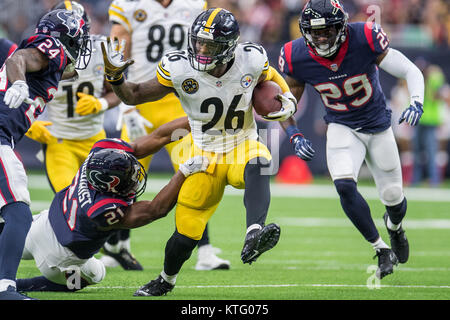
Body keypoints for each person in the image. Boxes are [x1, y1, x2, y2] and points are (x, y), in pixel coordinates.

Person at [102, 7, 314, 296]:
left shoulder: (251, 59)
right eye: (198, 42)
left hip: (241, 143)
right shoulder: (179, 67)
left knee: (260, 161)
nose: (201, 50)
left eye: (210, 45)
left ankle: (254, 232)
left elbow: (278, 85)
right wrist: (116, 79)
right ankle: (166, 280)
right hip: (204, 155)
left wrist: (289, 108)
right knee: (186, 234)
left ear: (229, 47)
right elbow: (136, 93)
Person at [278, 0, 425, 279]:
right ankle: (380, 248)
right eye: (315, 32)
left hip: (378, 126)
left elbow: (410, 70)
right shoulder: (296, 55)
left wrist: (416, 100)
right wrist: (294, 134)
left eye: (328, 30)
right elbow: (285, 106)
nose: (321, 37)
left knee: (394, 198)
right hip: (341, 125)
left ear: (342, 27)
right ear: (305, 31)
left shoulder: (364, 37)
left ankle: (394, 228)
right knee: (344, 185)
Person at [106, 0, 230, 271]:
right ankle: (116, 244)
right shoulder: (130, 4)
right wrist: (125, 103)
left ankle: (205, 251)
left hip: (179, 101)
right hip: (141, 99)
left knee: (197, 171)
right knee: (124, 175)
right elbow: (118, 47)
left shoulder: (196, 3)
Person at [25, 1, 142, 271]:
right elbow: (21, 92)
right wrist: (31, 123)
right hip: (59, 142)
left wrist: (101, 103)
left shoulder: (104, 50)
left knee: (121, 192)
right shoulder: (38, 54)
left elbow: (122, 90)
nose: (72, 42)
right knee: (74, 206)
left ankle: (117, 247)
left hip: (95, 140)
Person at [16, 137, 209, 293]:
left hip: (41, 225)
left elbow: (159, 136)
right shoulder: (102, 209)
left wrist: (192, 121)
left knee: (7, 244)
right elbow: (156, 210)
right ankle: (20, 285)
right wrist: (183, 172)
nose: (134, 176)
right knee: (96, 273)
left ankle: (5, 281)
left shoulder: (98, 155)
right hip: (59, 259)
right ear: (110, 184)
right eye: (128, 176)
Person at [0, 8, 91, 300]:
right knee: (18, 212)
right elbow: (20, 58)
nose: (80, 46)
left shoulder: (55, 64)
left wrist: (112, 73)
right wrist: (18, 82)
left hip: (5, 137)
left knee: (9, 219)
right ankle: (5, 288)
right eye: (78, 39)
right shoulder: (48, 50)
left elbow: (64, 72)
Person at [411, 60, 447, 187]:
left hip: (430, 120)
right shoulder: (416, 82)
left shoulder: (433, 80)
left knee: (431, 151)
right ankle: (415, 180)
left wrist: (435, 73)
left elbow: (439, 91)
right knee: (416, 152)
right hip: (419, 119)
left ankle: (434, 180)